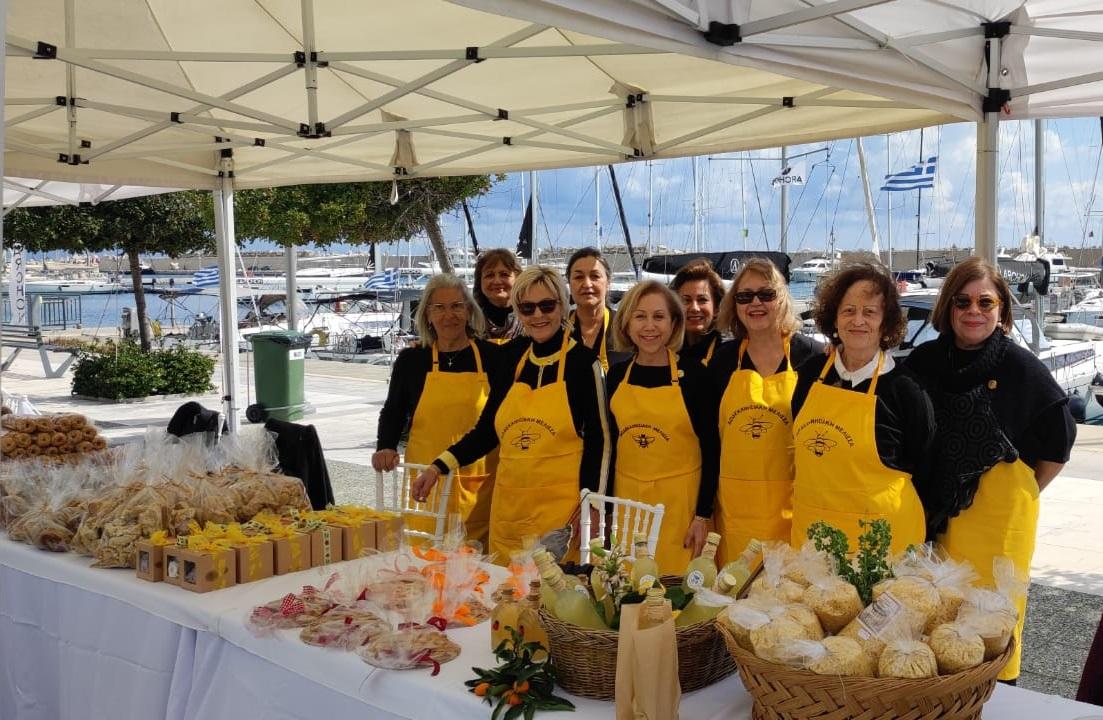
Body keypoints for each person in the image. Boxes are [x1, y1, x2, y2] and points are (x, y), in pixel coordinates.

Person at [906, 256, 1075, 683]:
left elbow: (1060, 440)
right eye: (962, 302)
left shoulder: (1021, 367)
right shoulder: (924, 361)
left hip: (999, 523)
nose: (974, 311)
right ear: (948, 306)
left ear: (1002, 309)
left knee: (990, 627)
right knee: (939, 623)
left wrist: (1025, 490)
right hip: (937, 515)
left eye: (985, 302)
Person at [411, 266, 610, 562]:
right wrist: (439, 466)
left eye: (547, 305)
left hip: (561, 514)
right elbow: (487, 431)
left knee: (553, 589)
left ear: (562, 306)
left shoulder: (584, 363)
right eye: (528, 308)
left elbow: (600, 441)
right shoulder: (511, 358)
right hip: (509, 508)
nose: (538, 315)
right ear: (518, 311)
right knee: (503, 587)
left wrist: (593, 504)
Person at [790, 262, 934, 556]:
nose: (858, 320)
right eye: (848, 310)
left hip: (882, 545)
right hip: (813, 541)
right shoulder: (811, 373)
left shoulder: (906, 389)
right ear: (834, 319)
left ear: (886, 323)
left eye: (869, 312)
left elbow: (927, 467)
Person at [709, 259, 823, 562]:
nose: (755, 303)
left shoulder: (812, 357)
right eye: (745, 296)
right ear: (734, 305)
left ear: (782, 298)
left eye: (766, 294)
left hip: (793, 510)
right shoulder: (722, 361)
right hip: (736, 512)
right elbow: (709, 442)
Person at [372, 274, 496, 545]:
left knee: (473, 556)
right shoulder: (411, 360)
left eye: (457, 306)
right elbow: (393, 411)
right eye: (439, 307)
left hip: (476, 481)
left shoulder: (492, 357)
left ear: (469, 310)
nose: (448, 315)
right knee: (423, 553)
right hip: (425, 480)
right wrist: (386, 445)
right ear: (427, 314)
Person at [607, 280, 720, 572]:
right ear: (627, 323)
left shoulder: (695, 376)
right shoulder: (617, 375)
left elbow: (712, 449)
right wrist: (606, 510)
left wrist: (703, 516)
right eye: (640, 316)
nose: (649, 326)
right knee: (627, 582)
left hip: (680, 507)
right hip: (627, 503)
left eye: (659, 317)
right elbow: (610, 447)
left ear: (674, 324)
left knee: (675, 587)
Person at [566, 247, 627, 371]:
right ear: (570, 284)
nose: (587, 284)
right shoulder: (558, 329)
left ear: (608, 282)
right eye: (578, 277)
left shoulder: (626, 327)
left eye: (595, 276)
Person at [670, 259, 725, 366]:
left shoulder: (730, 356)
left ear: (716, 308)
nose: (694, 308)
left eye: (702, 300)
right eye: (686, 300)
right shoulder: (662, 353)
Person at [473, 248, 523, 343]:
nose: (497, 281)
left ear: (518, 279)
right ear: (480, 281)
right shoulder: (468, 323)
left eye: (504, 274)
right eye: (490, 275)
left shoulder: (531, 320)